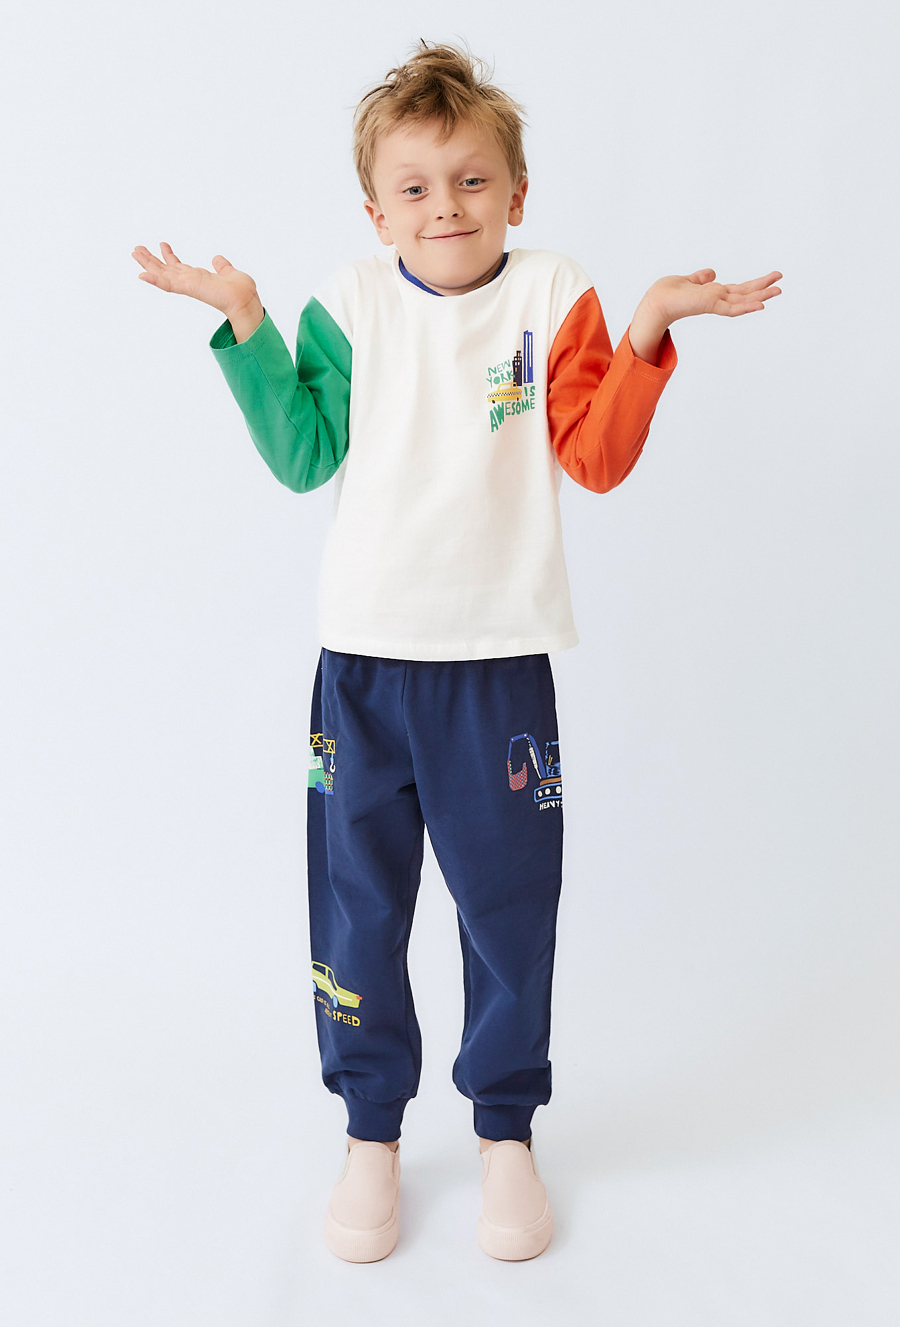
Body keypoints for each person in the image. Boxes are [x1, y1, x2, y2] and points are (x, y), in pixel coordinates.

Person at [131, 38, 782, 1265]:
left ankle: (503, 1130)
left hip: (498, 668)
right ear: (375, 210)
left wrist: (647, 326)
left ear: (517, 195)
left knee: (508, 911)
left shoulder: (552, 294)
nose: (447, 206)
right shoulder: (349, 303)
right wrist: (247, 321)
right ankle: (370, 1130)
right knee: (359, 908)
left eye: (473, 180)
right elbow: (304, 454)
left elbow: (595, 456)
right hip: (365, 671)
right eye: (417, 187)